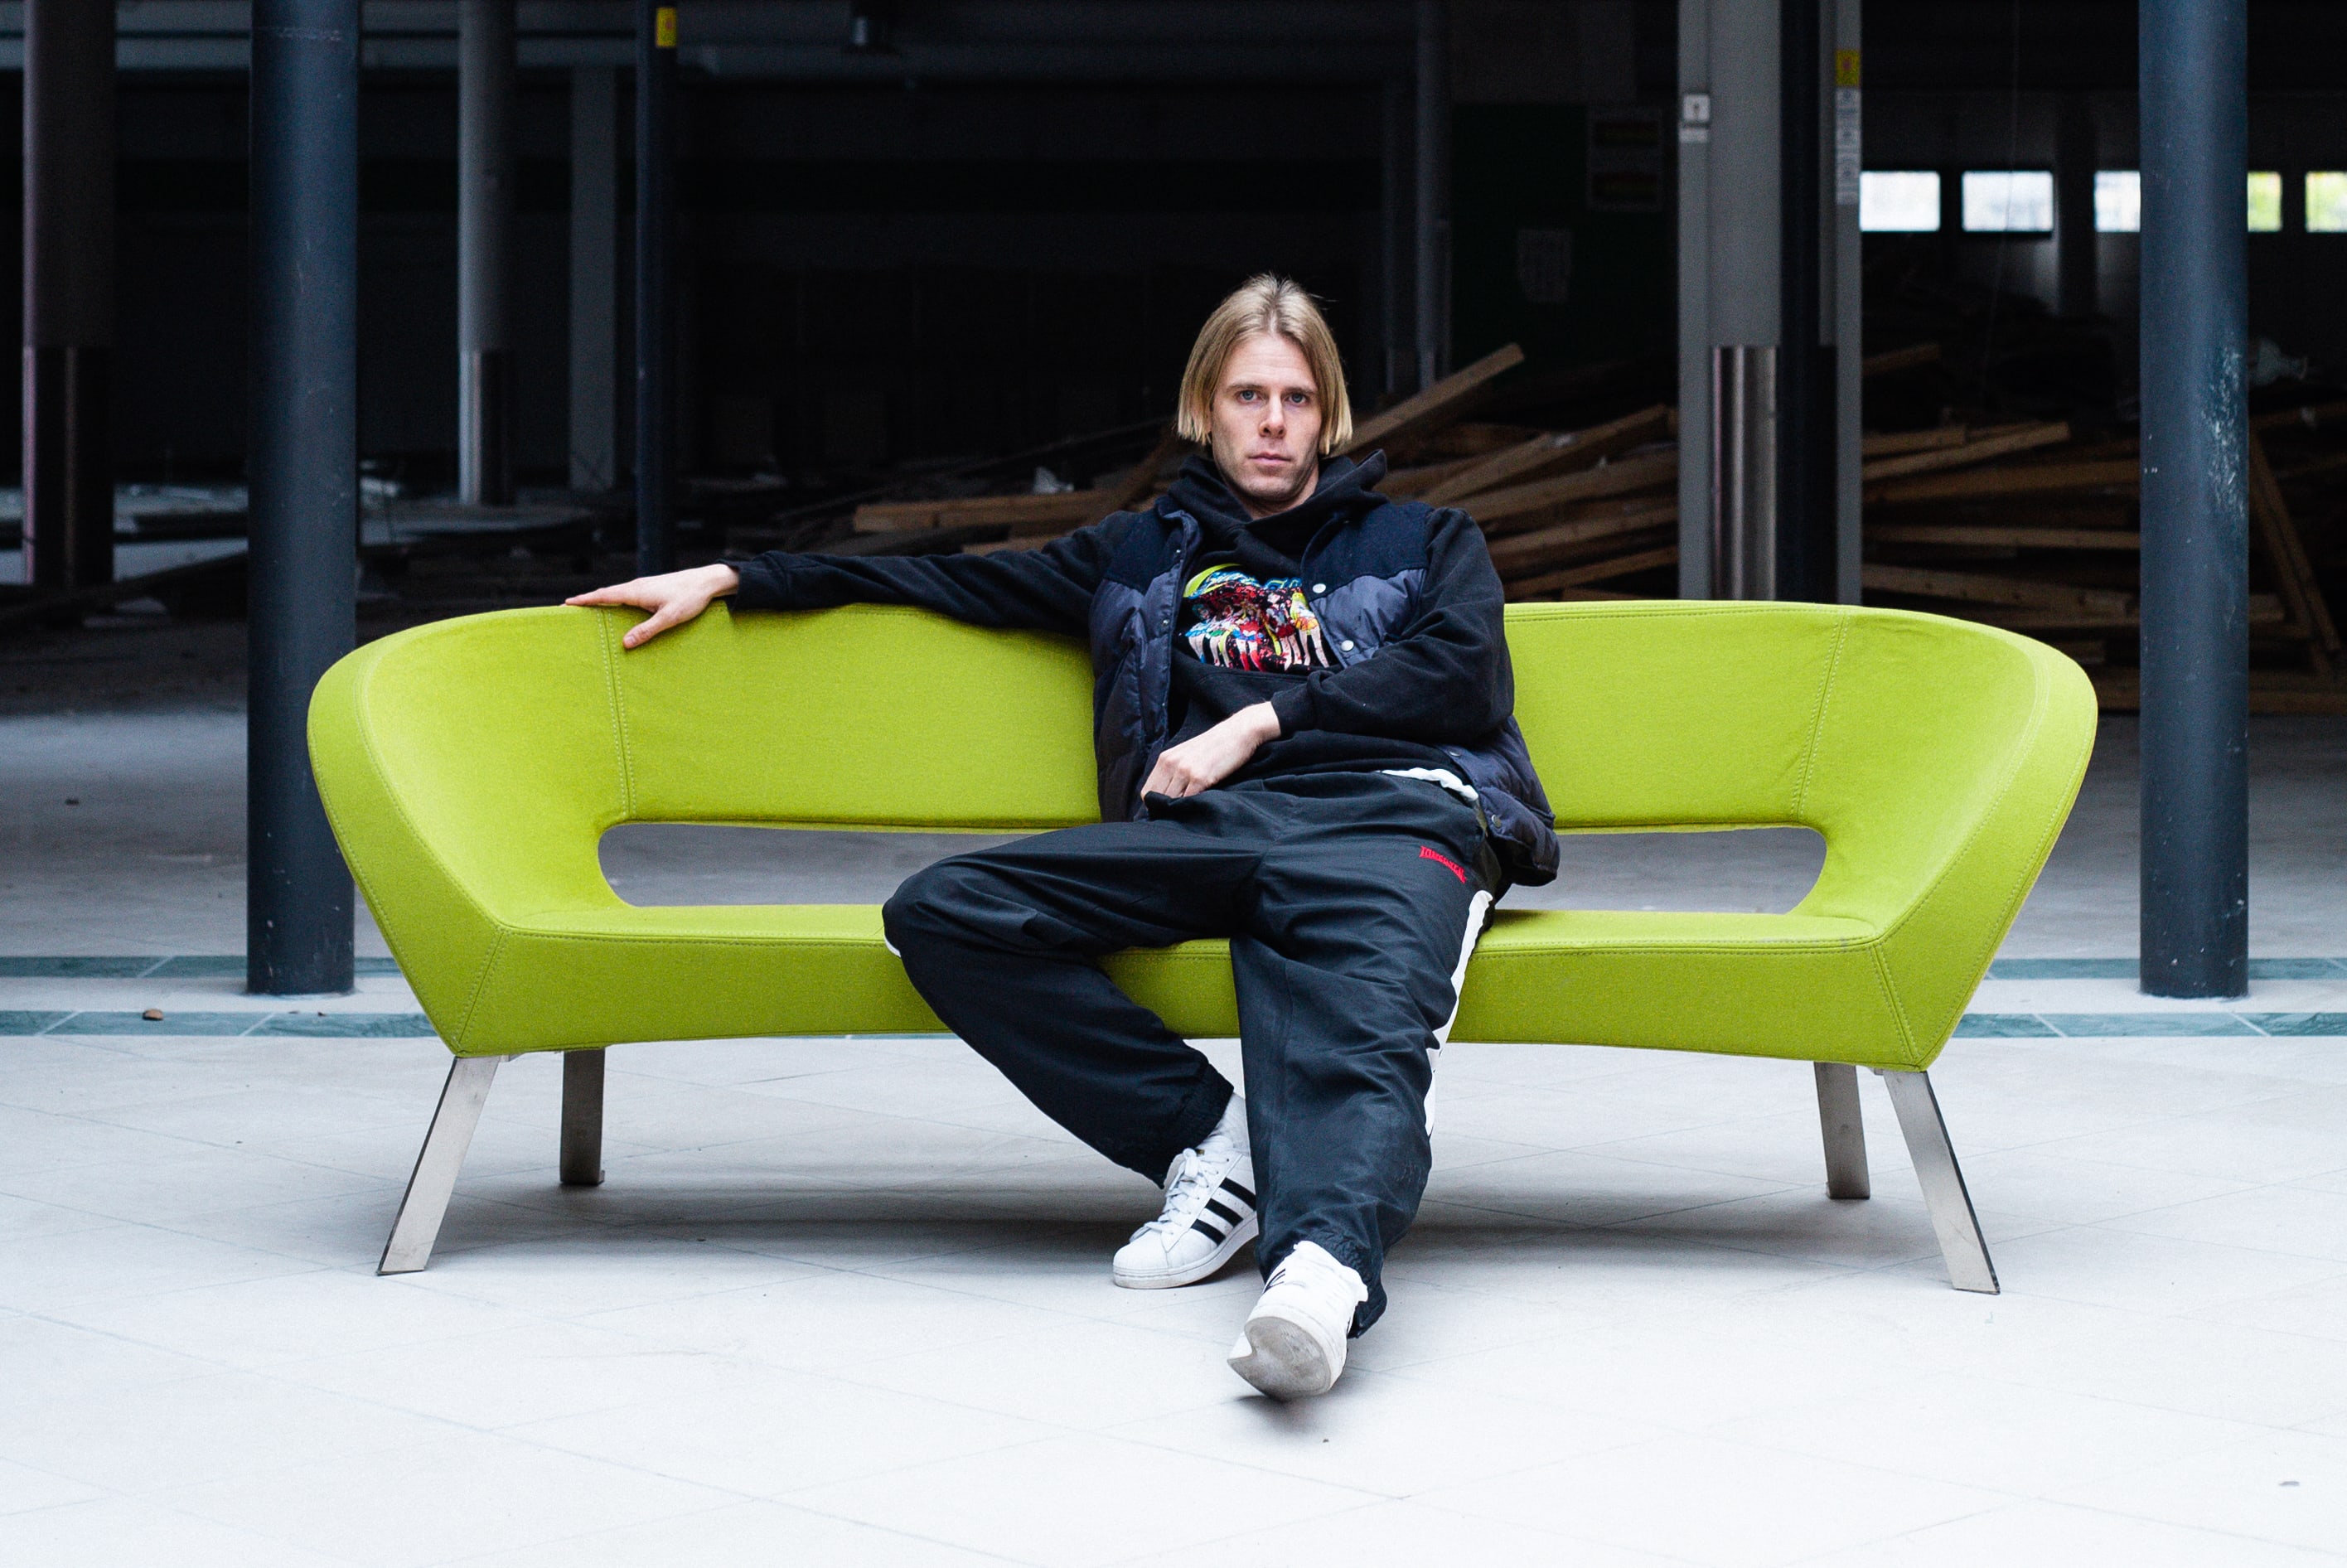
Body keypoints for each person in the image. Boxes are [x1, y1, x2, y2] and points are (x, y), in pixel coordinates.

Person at [569, 275, 1557, 1399]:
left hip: (1394, 815)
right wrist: (739, 574)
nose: (1273, 422)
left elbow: (1463, 675)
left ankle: (1318, 1279)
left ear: (1328, 414)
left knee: (1360, 1030)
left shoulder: (1425, 537)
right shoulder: (1138, 556)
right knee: (948, 911)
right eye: (1248, 396)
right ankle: (1212, 1144)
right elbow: (949, 582)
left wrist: (1259, 722)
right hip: (1212, 830)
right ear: (1204, 409)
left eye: (1296, 398)